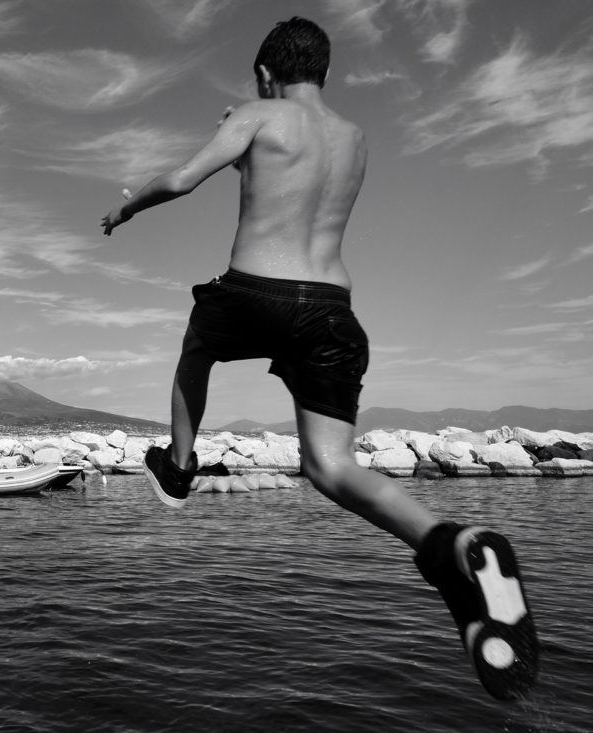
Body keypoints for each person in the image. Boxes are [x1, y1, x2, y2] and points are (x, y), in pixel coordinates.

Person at [101, 16, 538, 701]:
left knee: (197, 343)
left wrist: (127, 212)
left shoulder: (254, 115)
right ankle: (454, 543)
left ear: (265, 74)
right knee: (332, 467)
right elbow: (298, 188)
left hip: (257, 291)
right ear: (324, 73)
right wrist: (250, 151)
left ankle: (179, 466)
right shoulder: (355, 139)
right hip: (333, 310)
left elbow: (183, 180)